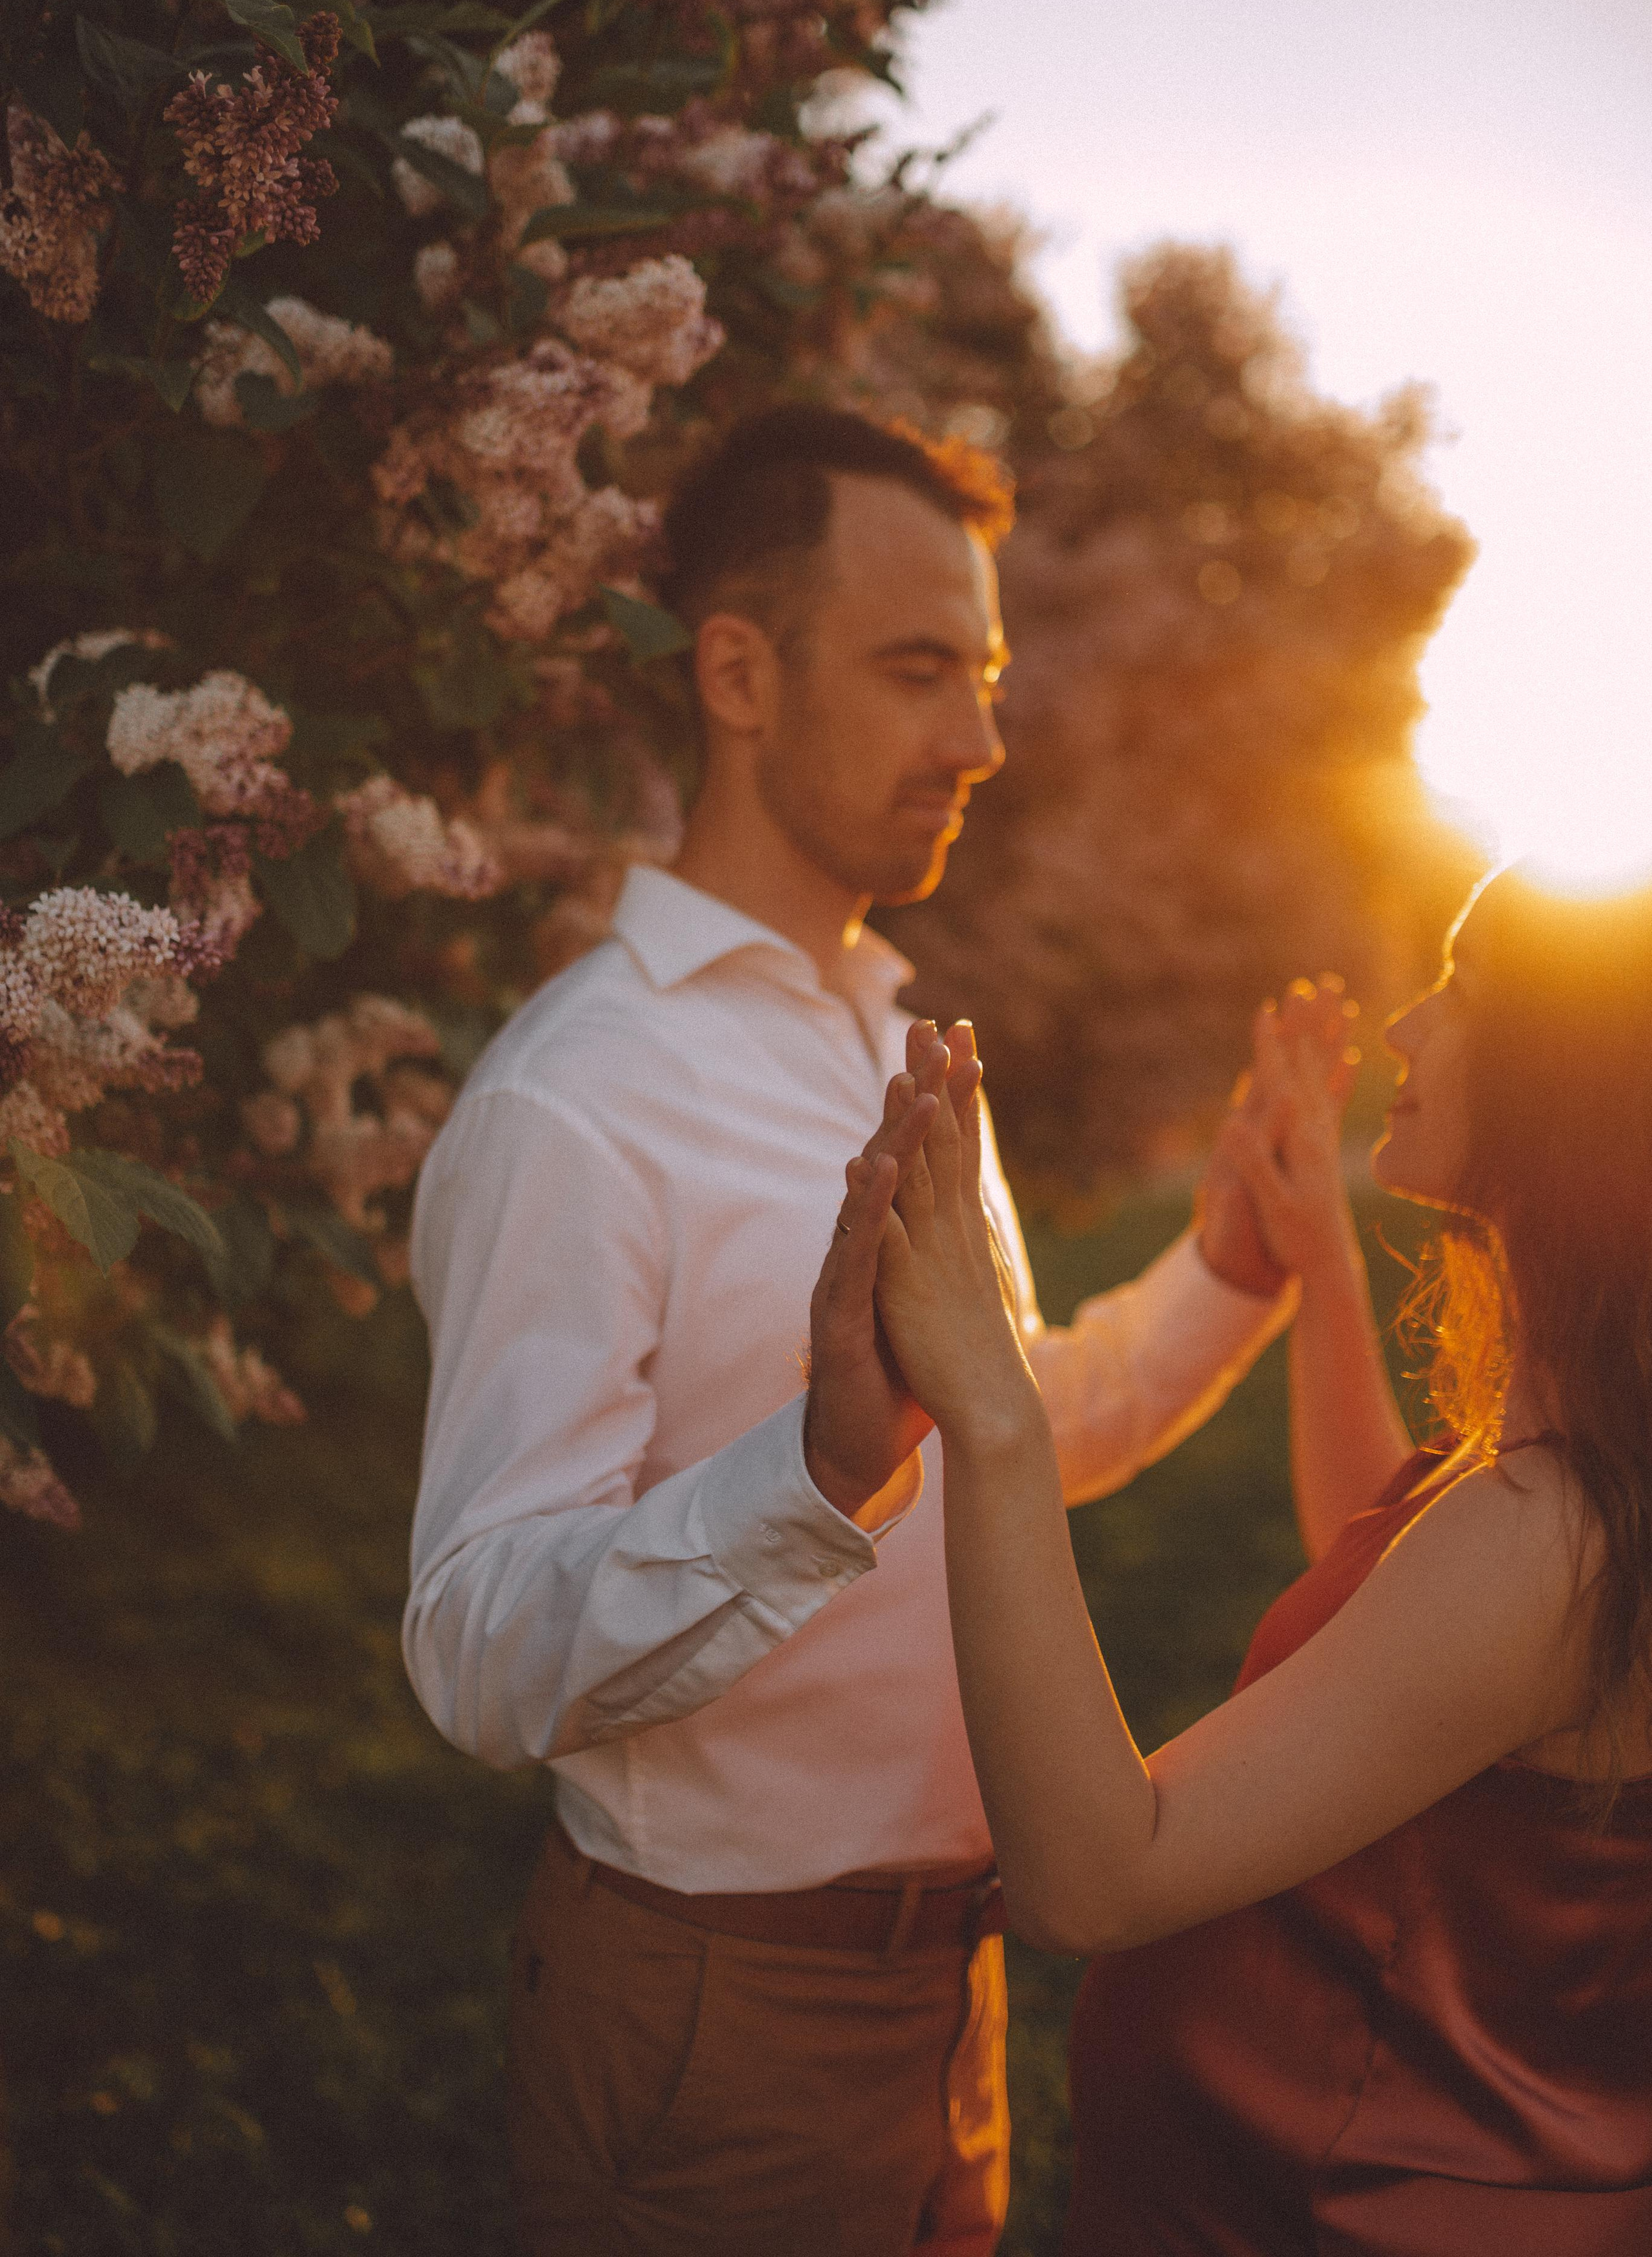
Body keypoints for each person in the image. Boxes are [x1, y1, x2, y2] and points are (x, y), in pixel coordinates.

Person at [401, 405, 1304, 2257]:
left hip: (953, 1995)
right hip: (712, 2019)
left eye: (984, 675)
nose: (980, 739)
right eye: (918, 671)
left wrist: (1226, 1268)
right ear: (738, 673)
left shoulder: (889, 1039)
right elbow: (473, 1648)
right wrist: (809, 1473)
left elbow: (1000, 1434)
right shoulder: (578, 1098)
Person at [819, 863, 1652, 2256]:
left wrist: (990, 1410)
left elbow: (1095, 1876)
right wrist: (1320, 1255)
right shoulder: (1573, 1480)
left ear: (1567, 1073)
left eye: (1460, 989)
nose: (1406, 1026)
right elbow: (1392, 1591)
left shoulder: (1557, 1534)